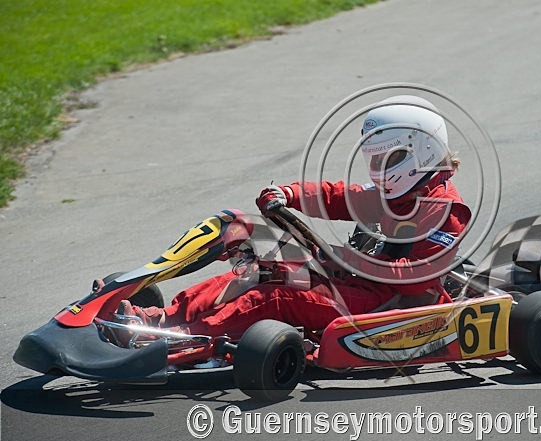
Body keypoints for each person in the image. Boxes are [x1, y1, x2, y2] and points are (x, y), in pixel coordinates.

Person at [113, 95, 471, 340]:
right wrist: (291, 194)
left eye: (388, 159)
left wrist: (350, 259)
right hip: (363, 284)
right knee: (260, 270)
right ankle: (161, 319)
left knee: (277, 298)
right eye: (373, 160)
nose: (378, 170)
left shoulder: (446, 210)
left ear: (421, 151)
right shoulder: (398, 193)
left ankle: (183, 337)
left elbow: (413, 279)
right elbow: (340, 198)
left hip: (395, 307)